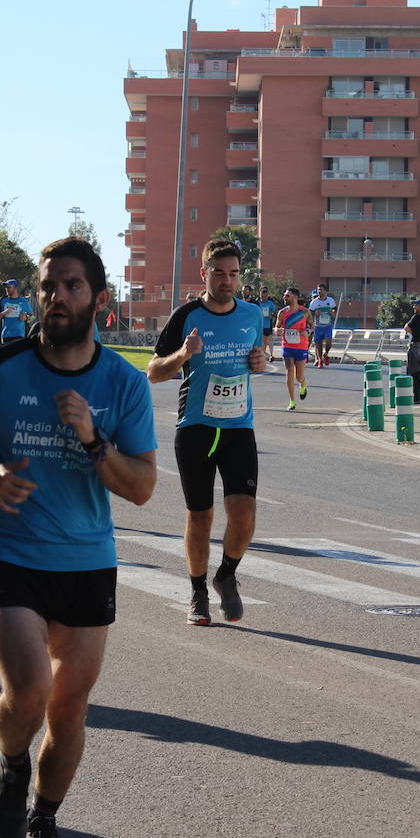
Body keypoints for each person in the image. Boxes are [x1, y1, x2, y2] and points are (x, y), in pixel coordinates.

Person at [0, 236, 156, 838]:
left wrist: (94, 442)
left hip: (88, 562)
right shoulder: (1, 365)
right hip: (12, 550)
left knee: (68, 710)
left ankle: (43, 819)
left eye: (70, 285)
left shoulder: (123, 383)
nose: (56, 296)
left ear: (97, 297)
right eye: (47, 286)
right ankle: (11, 762)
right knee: (30, 691)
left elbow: (142, 487)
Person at [147, 238, 267, 626]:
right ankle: (197, 591)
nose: (227, 280)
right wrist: (183, 355)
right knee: (200, 517)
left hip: (238, 427)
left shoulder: (252, 315)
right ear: (204, 274)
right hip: (196, 427)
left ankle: (226, 575)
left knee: (244, 514)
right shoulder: (185, 316)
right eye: (219, 272)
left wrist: (260, 363)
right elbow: (154, 372)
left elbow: (258, 361)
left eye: (233, 273)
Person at [275, 287, 309, 410]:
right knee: (289, 371)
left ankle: (303, 384)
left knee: (299, 376)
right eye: (284, 295)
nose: (284, 297)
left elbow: (311, 326)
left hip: (301, 346)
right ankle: (292, 401)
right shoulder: (282, 313)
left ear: (295, 297)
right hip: (287, 345)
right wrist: (277, 330)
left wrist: (308, 331)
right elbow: (276, 327)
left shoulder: (305, 312)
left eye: (287, 296)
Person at [308, 284, 339, 367]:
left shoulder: (330, 300)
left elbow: (334, 309)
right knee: (318, 344)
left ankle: (326, 354)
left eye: (321, 290)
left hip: (327, 325)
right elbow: (309, 314)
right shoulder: (314, 302)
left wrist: (332, 313)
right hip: (318, 326)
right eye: (318, 290)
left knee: (329, 342)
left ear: (325, 291)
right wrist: (315, 314)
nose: (319, 291)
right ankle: (320, 360)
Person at [256, 285, 278, 361]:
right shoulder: (257, 303)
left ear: (267, 295)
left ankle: (263, 355)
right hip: (258, 325)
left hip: (267, 325)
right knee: (258, 341)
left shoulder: (270, 303)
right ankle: (260, 354)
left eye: (265, 295)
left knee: (265, 341)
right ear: (260, 294)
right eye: (262, 295)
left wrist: (271, 315)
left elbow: (275, 313)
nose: (263, 297)